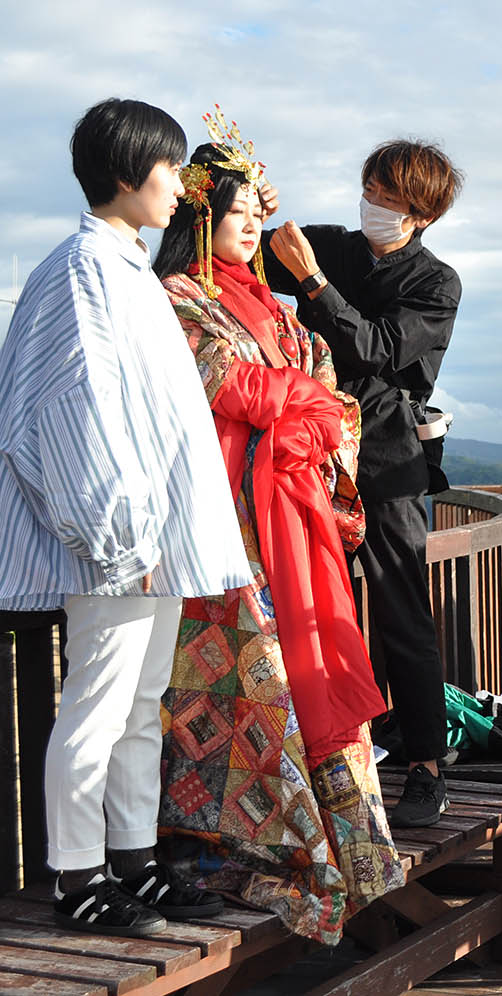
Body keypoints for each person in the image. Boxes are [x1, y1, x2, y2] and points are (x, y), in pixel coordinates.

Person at [0, 99, 252, 937]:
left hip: (151, 536)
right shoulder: (81, 270)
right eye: (169, 170)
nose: (181, 188)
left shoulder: (124, 267)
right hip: (119, 541)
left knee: (140, 703)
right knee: (98, 707)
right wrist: (114, 534)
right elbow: (71, 412)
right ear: (125, 172)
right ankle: (77, 875)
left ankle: (134, 860)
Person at [151, 128, 403, 944]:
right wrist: (304, 399)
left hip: (286, 518)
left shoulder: (266, 303)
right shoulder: (177, 298)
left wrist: (306, 402)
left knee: (309, 675)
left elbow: (323, 384)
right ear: (199, 220)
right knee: (251, 683)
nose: (251, 226)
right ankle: (241, 845)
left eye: (257, 210)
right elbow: (233, 385)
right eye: (234, 213)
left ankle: (346, 850)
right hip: (228, 524)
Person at [259, 140, 464, 828]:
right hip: (311, 451)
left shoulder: (436, 283)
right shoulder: (331, 245)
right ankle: (336, 755)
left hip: (386, 458)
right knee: (317, 604)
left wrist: (314, 284)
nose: (373, 203)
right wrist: (242, 207)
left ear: (422, 214)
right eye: (370, 188)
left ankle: (427, 765)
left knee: (402, 605)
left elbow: (375, 348)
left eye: (389, 197)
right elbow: (227, 255)